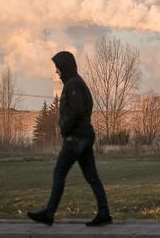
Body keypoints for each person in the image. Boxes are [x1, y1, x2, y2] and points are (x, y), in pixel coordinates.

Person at [27, 51, 112, 227]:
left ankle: (49, 213)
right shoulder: (76, 83)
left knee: (60, 172)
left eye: (58, 68)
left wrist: (64, 128)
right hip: (84, 136)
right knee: (91, 176)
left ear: (65, 67)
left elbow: (76, 111)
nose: (57, 72)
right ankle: (104, 213)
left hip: (76, 138)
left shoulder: (73, 85)